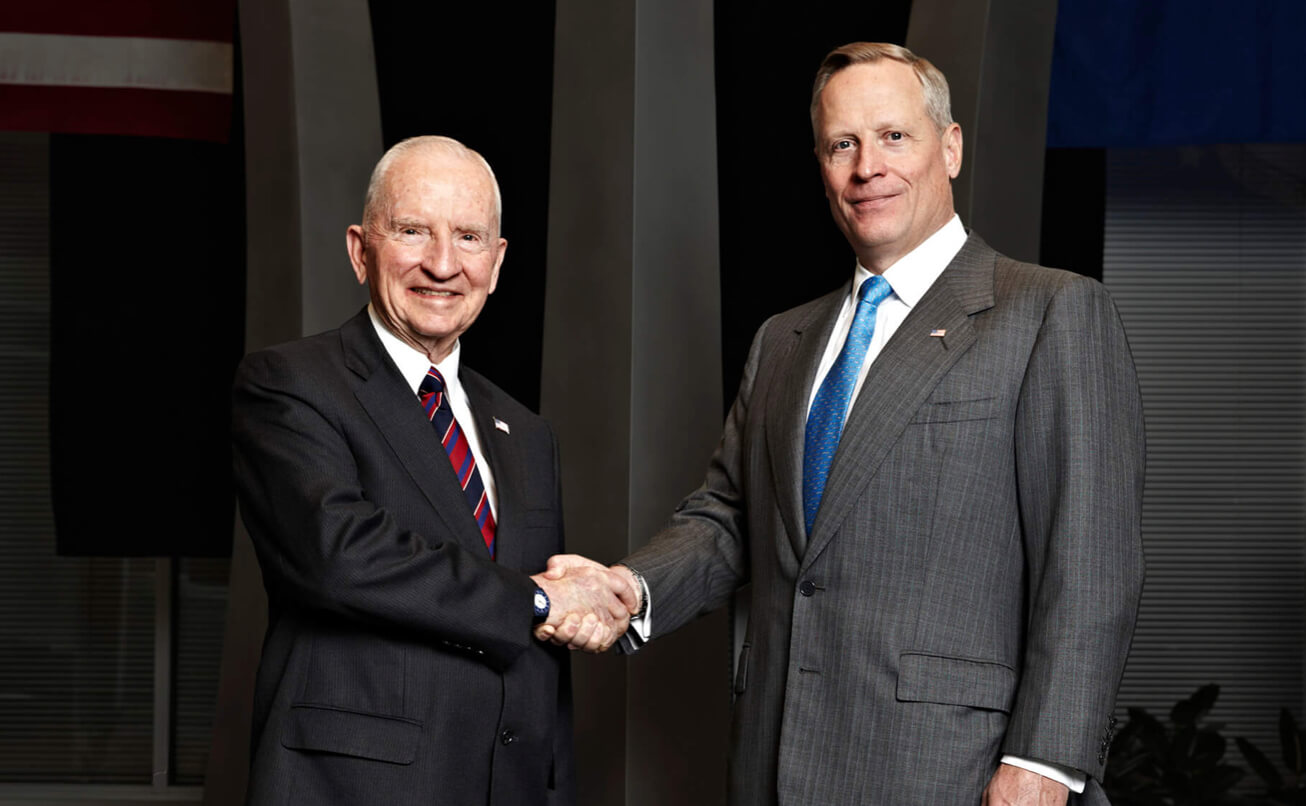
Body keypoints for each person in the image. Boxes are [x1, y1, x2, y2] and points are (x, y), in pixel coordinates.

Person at [541, 42, 1145, 805]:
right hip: (772, 761)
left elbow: (1092, 565)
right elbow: (729, 520)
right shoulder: (783, 341)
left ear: (949, 147)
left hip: (957, 772)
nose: (868, 167)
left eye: (894, 136)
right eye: (842, 144)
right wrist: (628, 587)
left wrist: (1044, 765)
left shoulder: (1050, 311)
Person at [232, 136, 635, 806]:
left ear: (497, 262)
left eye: (469, 237)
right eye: (413, 230)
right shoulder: (290, 385)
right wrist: (538, 600)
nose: (442, 265)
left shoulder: (528, 433)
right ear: (361, 250)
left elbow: (539, 662)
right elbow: (340, 555)